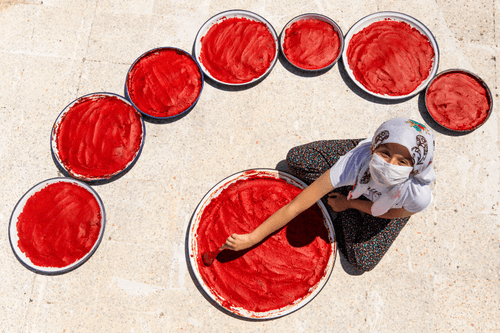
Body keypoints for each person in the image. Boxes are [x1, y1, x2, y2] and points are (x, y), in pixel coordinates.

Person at [224, 117, 436, 272]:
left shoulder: (416, 195)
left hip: (383, 207)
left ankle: (345, 198)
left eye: (403, 161)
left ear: (416, 168)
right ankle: (346, 188)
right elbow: (298, 205)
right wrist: (253, 238)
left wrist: (349, 205)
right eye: (385, 152)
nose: (390, 165)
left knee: (363, 261)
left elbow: (391, 214)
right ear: (373, 148)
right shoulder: (354, 163)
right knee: (298, 159)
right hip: (356, 175)